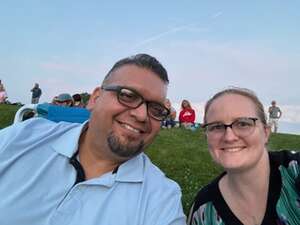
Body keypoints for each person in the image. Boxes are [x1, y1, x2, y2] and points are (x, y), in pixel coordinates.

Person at [0, 54, 186, 225]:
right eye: (128, 96)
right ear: (95, 98)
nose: (142, 115)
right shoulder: (23, 138)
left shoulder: (162, 199)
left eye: (156, 109)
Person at [188, 87, 300, 225]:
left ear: (265, 133)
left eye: (243, 124)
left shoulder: (295, 171)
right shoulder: (203, 210)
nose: (229, 137)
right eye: (217, 127)